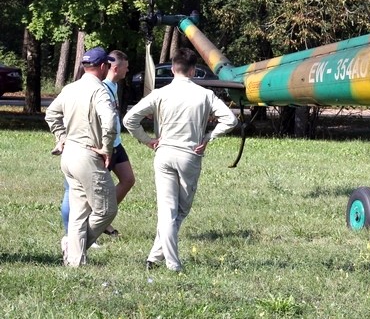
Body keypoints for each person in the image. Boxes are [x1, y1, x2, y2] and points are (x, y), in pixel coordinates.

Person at [123, 47, 237, 272]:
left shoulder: (160, 93)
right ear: (193, 70)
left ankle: (154, 257)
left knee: (168, 211)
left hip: (163, 153)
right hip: (189, 155)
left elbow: (129, 119)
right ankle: (172, 264)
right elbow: (230, 120)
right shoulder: (205, 95)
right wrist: (209, 136)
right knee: (178, 212)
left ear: (173, 68)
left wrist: (147, 140)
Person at [45, 46, 118, 266]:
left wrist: (62, 137)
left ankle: (75, 262)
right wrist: (107, 149)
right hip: (88, 156)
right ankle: (73, 246)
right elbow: (110, 123)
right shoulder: (100, 91)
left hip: (69, 155)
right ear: (103, 66)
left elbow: (51, 114)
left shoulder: (70, 88)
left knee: (79, 212)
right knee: (106, 210)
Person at [56, 50, 133, 237]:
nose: (128, 70)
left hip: (114, 144)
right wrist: (62, 138)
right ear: (111, 67)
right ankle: (75, 236)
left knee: (128, 180)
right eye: (126, 67)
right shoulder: (98, 88)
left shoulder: (112, 86)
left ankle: (96, 225)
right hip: (95, 147)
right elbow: (64, 115)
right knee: (82, 194)